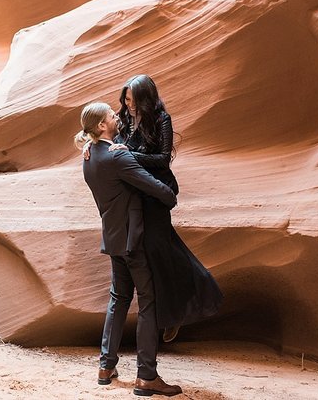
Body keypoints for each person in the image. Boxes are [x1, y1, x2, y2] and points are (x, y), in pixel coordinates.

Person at [86, 75, 222, 342]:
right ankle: (172, 314)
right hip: (136, 194)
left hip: (156, 194)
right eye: (126, 99)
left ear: (146, 99)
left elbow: (162, 159)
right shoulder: (123, 120)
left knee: (161, 252)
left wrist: (128, 154)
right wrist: (91, 145)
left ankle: (177, 311)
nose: (129, 105)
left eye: (133, 100)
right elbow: (104, 138)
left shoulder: (161, 119)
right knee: (157, 254)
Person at [75, 102, 183, 397]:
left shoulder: (89, 157)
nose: (117, 117)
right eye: (112, 115)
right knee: (148, 302)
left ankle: (106, 367)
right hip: (134, 240)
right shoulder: (117, 157)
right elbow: (160, 191)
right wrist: (169, 192)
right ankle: (146, 376)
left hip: (113, 238)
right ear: (101, 126)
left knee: (119, 298)